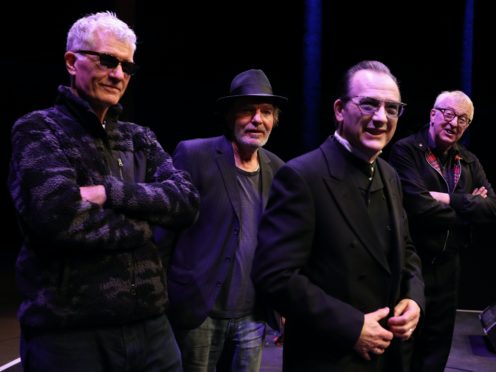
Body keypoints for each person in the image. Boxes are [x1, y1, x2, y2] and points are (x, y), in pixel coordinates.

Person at [8, 11, 199, 372]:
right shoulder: (37, 129)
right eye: (108, 60)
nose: (118, 75)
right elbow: (58, 221)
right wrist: (148, 225)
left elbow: (186, 202)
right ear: (71, 61)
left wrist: (108, 194)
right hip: (70, 336)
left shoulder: (138, 137)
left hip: (152, 329)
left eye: (127, 67)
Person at [251, 60, 425, 372]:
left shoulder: (389, 173)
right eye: (369, 104)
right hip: (329, 356)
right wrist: (351, 326)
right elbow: (274, 277)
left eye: (392, 108)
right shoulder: (302, 176)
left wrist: (414, 299)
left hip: (389, 355)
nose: (381, 117)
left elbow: (407, 249)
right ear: (340, 110)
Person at [167, 68, 286, 371]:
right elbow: (165, 232)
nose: (257, 119)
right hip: (199, 313)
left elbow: (279, 243)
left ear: (274, 120)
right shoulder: (194, 155)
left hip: (252, 316)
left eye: (266, 112)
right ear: (231, 115)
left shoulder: (278, 169)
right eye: (247, 111)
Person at [388, 90, 496, 372]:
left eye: (463, 118)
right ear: (433, 114)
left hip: (449, 266)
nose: (454, 123)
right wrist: (468, 207)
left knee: (437, 348)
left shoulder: (468, 160)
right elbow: (416, 203)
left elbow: (492, 207)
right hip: (412, 265)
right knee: (404, 347)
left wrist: (445, 199)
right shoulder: (406, 150)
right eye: (448, 114)